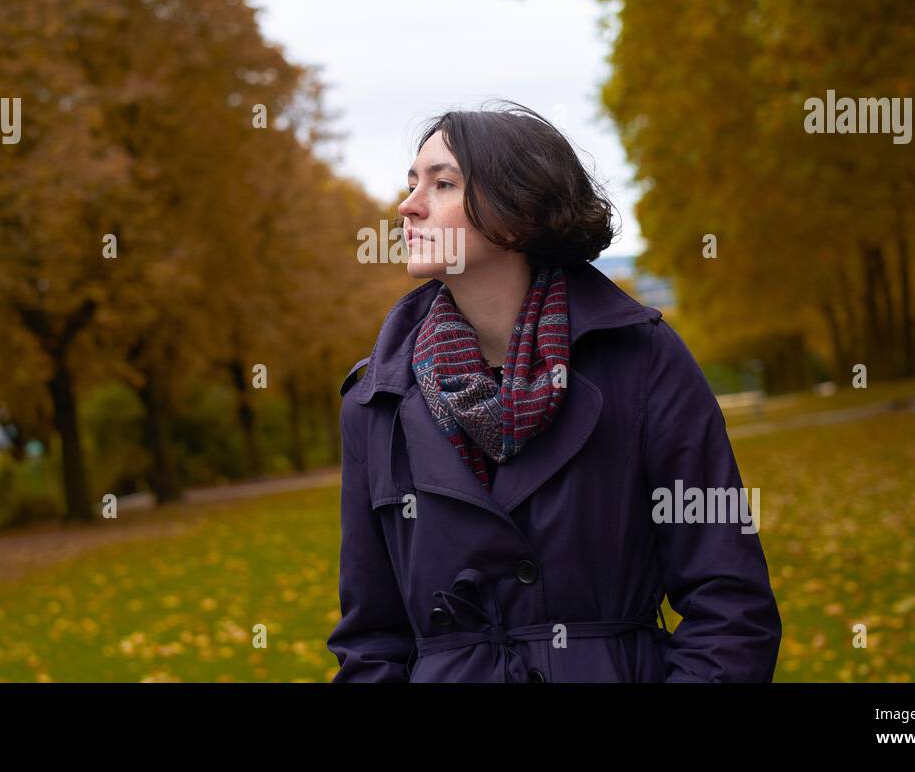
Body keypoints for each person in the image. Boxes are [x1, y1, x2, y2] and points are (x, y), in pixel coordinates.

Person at [327, 101, 781, 682]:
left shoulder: (641, 360)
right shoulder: (375, 401)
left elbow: (731, 603)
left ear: (517, 214)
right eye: (412, 184)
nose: (407, 207)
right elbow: (370, 642)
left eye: (442, 184)